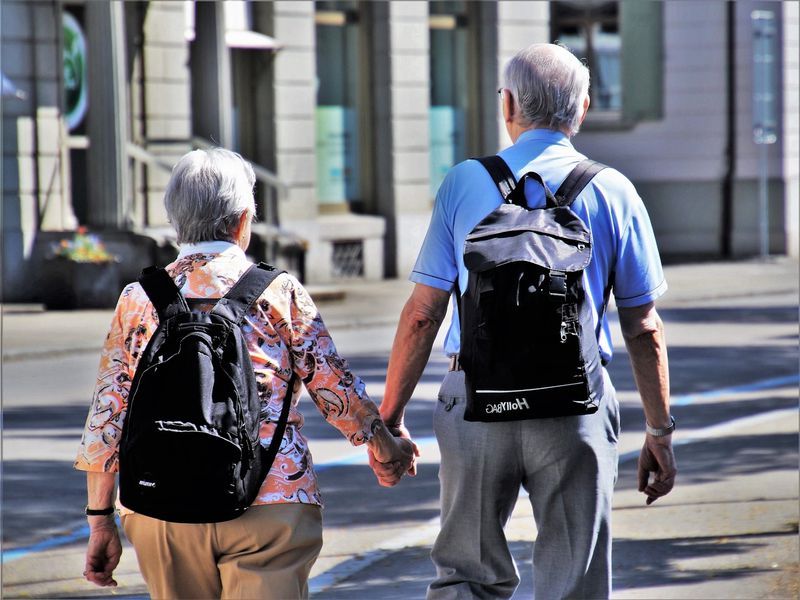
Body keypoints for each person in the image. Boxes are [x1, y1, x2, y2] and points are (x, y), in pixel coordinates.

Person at [373, 43, 677, 599]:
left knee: (467, 573)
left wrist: (387, 420)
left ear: (507, 104)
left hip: (475, 401)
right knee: (575, 581)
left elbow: (422, 314)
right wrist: (658, 432)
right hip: (573, 406)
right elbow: (643, 328)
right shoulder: (615, 190)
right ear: (582, 108)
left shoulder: (464, 183)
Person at [75, 147, 415, 599]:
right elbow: (335, 390)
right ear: (241, 221)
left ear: (176, 220)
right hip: (270, 500)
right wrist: (385, 445)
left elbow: (108, 415)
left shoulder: (138, 298)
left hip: (162, 508)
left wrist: (100, 520)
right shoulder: (278, 291)